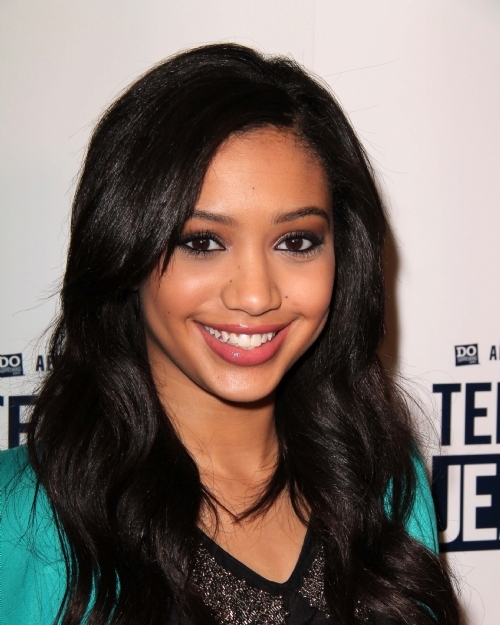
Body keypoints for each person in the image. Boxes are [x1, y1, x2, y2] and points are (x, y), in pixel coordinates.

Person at [0, 43, 458, 625]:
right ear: (125, 250)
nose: (255, 296)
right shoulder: (22, 516)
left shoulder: (381, 482)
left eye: (296, 242)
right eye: (202, 242)